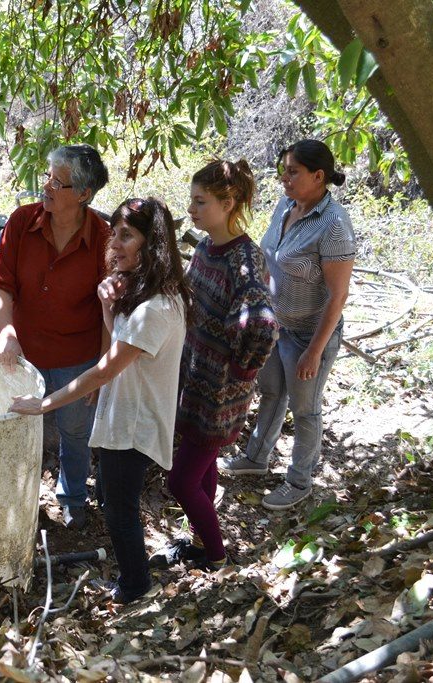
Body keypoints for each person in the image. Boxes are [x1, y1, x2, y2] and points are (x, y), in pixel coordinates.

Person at [11, 197, 189, 603]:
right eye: (114, 235)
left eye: (127, 236)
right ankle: (133, 579)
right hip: (125, 416)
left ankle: (135, 586)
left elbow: (106, 369)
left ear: (153, 243)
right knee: (116, 504)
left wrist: (44, 404)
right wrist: (109, 310)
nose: (115, 245)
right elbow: (116, 354)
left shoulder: (155, 309)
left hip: (135, 423)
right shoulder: (149, 296)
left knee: (120, 512)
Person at [220, 141, 356, 511]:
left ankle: (299, 481)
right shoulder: (286, 206)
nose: (285, 177)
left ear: (318, 176)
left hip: (310, 333)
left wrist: (313, 350)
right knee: (271, 392)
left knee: (305, 408)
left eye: (293, 171)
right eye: (285, 169)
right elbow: (269, 258)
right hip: (276, 324)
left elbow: (337, 296)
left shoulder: (334, 225)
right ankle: (257, 458)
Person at [0, 144, 110, 531]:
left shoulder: (104, 238)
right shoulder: (23, 222)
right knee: (15, 427)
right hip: (22, 353)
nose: (47, 186)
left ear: (84, 195)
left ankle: (72, 497)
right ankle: (13, 499)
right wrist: (6, 331)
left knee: (75, 433)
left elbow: (110, 311)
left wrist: (103, 371)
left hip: (78, 357)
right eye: (48, 177)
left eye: (59, 182)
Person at [165, 160, 278, 570]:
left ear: (229, 203)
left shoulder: (245, 260)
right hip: (193, 379)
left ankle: (215, 556)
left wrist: (241, 372)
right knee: (204, 467)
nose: (192, 209)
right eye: (191, 200)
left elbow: (264, 326)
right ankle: (202, 540)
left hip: (218, 393)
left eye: (201, 202)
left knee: (180, 481)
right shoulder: (206, 247)